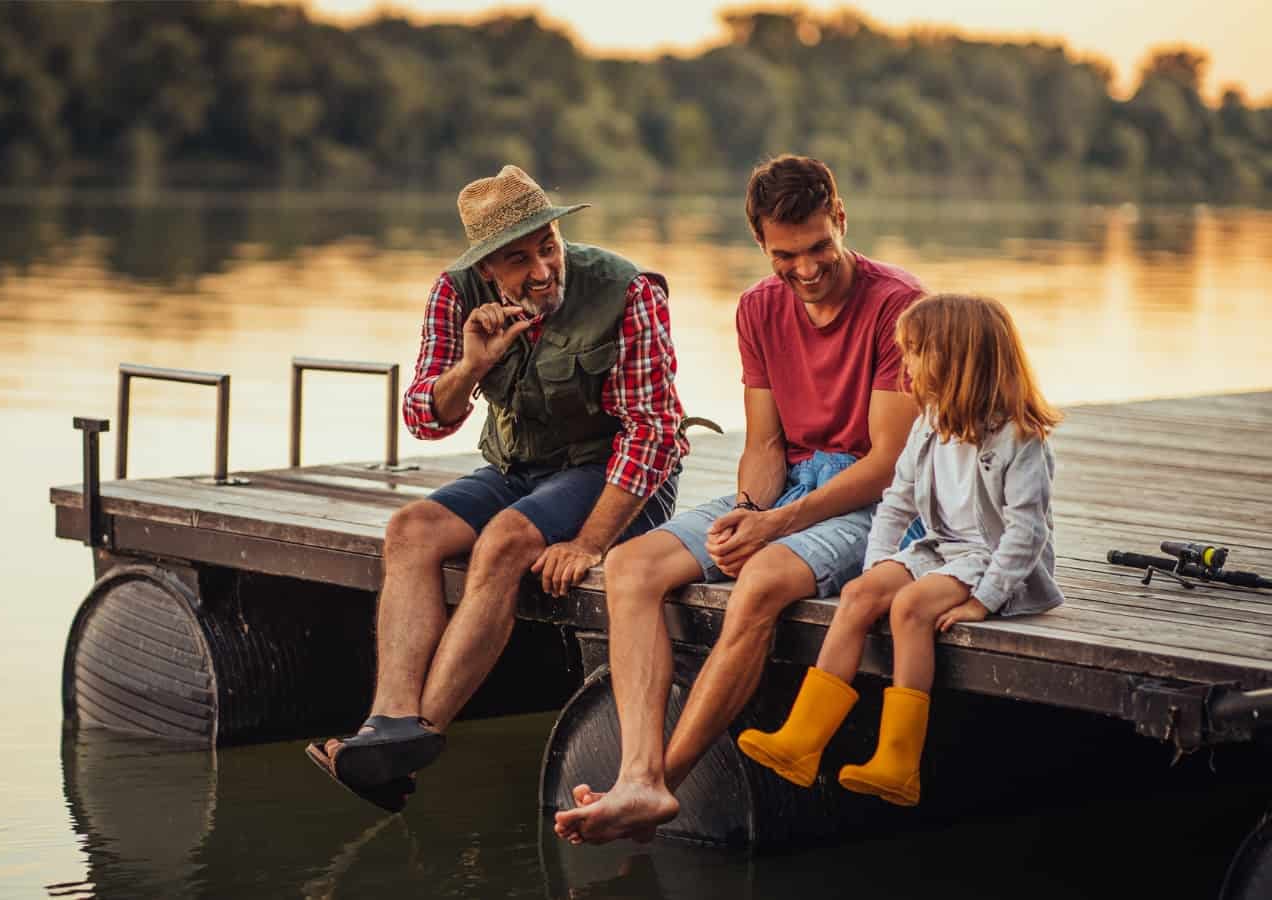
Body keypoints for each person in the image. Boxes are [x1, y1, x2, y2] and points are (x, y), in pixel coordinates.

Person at [555, 154, 924, 844]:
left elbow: (887, 465)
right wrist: (750, 513)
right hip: (789, 488)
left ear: (840, 219)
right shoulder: (758, 307)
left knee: (760, 580)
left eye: (819, 246)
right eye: (787, 255)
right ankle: (637, 773)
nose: (806, 269)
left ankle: (661, 781)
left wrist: (775, 526)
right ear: (761, 243)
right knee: (632, 568)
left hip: (881, 503)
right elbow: (764, 444)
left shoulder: (899, 305)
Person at [305, 165, 688, 812]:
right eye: (518, 260)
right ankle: (388, 725)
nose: (542, 271)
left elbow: (653, 435)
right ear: (487, 269)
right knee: (410, 531)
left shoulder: (628, 291)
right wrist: (472, 363)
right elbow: (425, 416)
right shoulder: (454, 294)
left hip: (617, 475)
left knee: (505, 540)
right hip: (519, 469)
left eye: (549, 246)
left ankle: (419, 737)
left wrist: (591, 543)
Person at [737, 293, 1064, 806]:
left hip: (996, 562)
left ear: (953, 358)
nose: (905, 362)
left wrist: (986, 600)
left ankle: (898, 761)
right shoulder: (929, 424)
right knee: (859, 598)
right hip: (940, 551)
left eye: (914, 351)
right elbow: (896, 501)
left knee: (909, 608)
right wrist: (879, 567)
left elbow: (1025, 535)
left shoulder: (1019, 439)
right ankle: (802, 740)